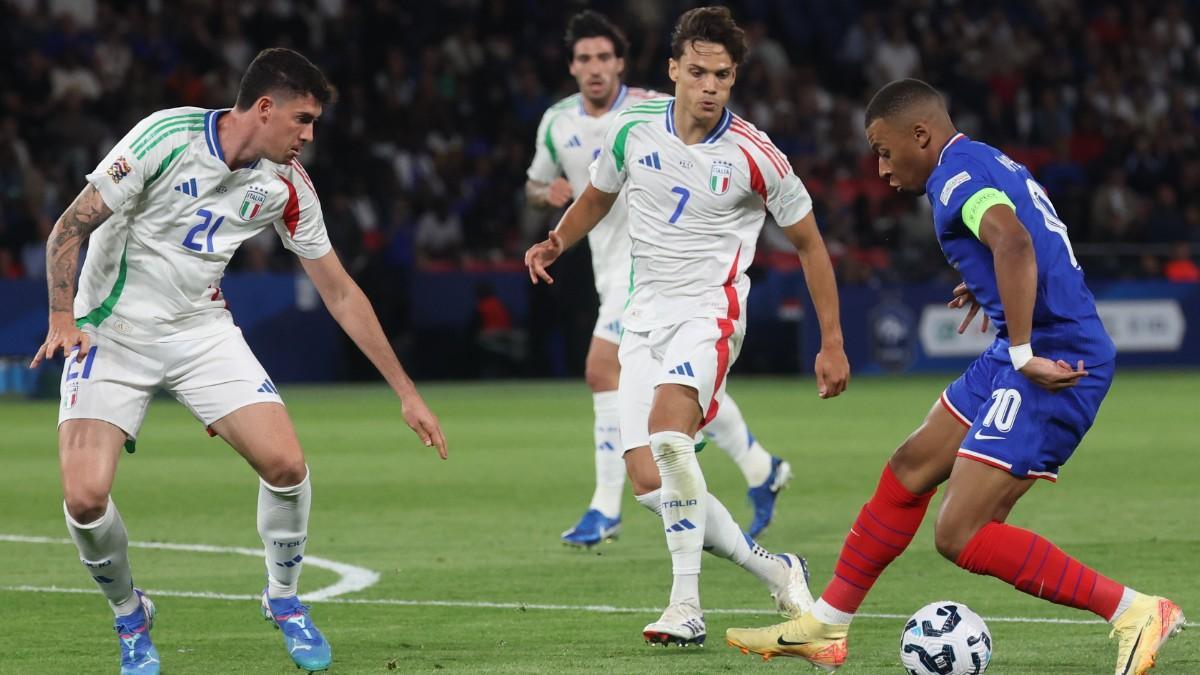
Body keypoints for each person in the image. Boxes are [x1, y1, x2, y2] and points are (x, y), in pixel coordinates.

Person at [725, 78, 1185, 675]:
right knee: (909, 468)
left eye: (885, 151)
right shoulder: (982, 158)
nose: (882, 169)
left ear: (922, 135)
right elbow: (1027, 236)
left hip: (1053, 361)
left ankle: (1134, 611)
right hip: (1019, 351)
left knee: (960, 532)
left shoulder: (952, 179)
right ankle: (826, 625)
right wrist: (993, 290)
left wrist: (1021, 349)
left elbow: (1015, 241)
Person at [29, 48, 447, 675]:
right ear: (264, 108)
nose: (308, 136)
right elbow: (69, 227)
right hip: (109, 331)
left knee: (286, 464)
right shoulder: (165, 137)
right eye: (302, 120)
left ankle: (283, 600)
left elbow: (339, 291)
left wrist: (406, 391)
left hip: (200, 330)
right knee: (86, 499)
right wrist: (64, 317)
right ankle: (130, 615)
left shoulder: (287, 185)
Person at [526, 7, 849, 647]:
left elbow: (812, 245)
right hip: (642, 317)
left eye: (721, 76)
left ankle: (684, 606)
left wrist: (832, 341)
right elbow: (597, 194)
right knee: (650, 481)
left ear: (734, 80)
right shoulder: (633, 130)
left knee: (671, 440)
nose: (708, 86)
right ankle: (775, 569)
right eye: (697, 71)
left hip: (712, 314)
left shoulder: (759, 156)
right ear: (673, 70)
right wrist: (557, 241)